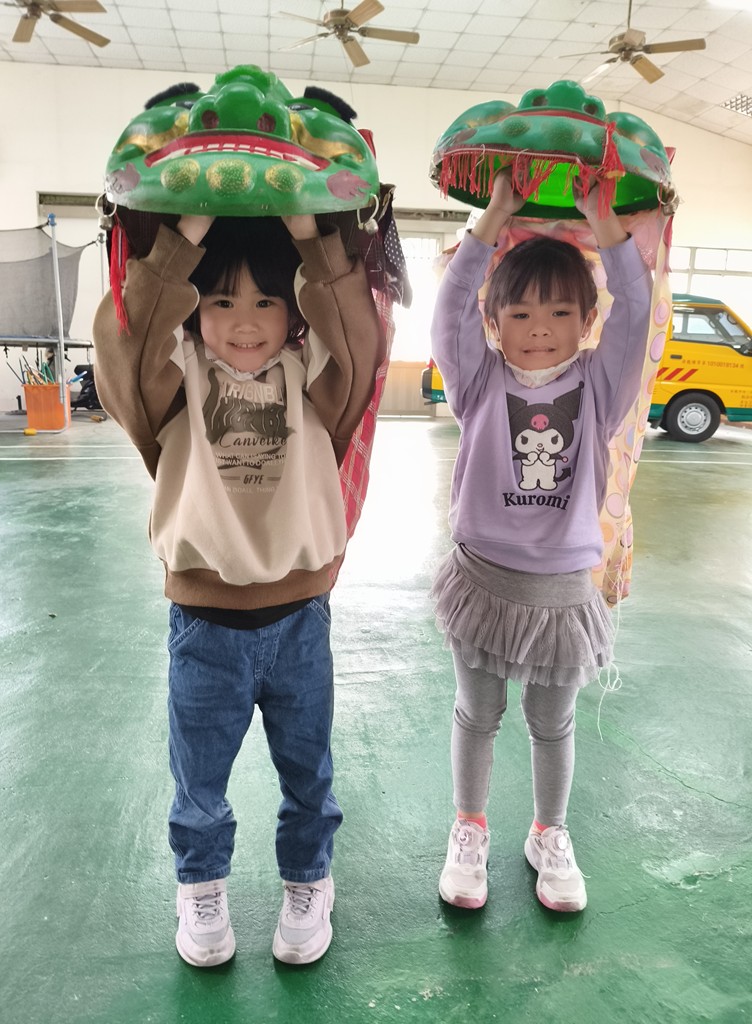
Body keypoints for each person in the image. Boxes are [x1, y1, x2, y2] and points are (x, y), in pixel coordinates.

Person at [93, 211, 384, 966]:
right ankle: (201, 888)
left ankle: (309, 880)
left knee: (309, 775)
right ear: (194, 308)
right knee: (198, 783)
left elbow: (361, 343)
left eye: (265, 301)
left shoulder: (315, 381)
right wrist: (180, 240)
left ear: (293, 310)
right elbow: (124, 350)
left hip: (300, 621)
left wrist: (313, 235)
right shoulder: (172, 383)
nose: (245, 322)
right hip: (203, 625)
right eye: (221, 301)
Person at [430, 169, 652, 913]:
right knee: (477, 713)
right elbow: (450, 310)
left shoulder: (601, 385)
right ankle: (469, 828)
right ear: (495, 323)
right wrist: (493, 217)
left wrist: (604, 221)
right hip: (482, 580)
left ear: (586, 320)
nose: (539, 327)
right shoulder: (477, 381)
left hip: (563, 589)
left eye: (560, 312)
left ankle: (548, 833)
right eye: (520, 312)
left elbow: (636, 312)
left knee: (552, 723)